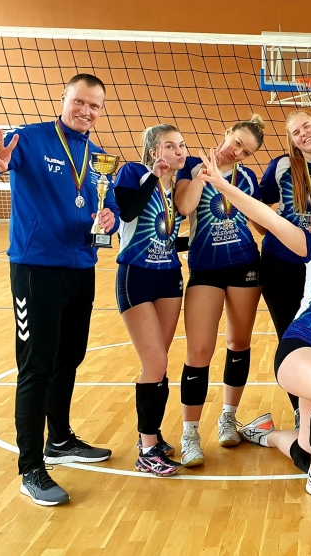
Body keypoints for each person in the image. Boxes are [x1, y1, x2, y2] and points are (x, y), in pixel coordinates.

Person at [0, 74, 119, 506]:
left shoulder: (98, 157)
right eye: (79, 101)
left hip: (81, 268)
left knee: (70, 357)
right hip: (36, 270)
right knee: (36, 366)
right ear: (64, 99)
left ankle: (60, 439)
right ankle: (31, 467)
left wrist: (109, 218)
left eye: (95, 106)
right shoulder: (27, 139)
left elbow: (109, 206)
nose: (86, 111)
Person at [197, 146, 311, 507]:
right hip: (301, 352)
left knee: (307, 446)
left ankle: (264, 434)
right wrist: (222, 184)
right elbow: (268, 218)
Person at [173, 116, 266, 467]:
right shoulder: (192, 165)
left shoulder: (248, 178)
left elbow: (260, 224)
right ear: (227, 133)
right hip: (206, 267)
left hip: (245, 265)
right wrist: (204, 174)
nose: (237, 152)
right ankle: (190, 434)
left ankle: (228, 417)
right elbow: (184, 207)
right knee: (199, 351)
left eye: (246, 151)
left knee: (238, 343)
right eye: (237, 142)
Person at [113, 124, 188, 477]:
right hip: (136, 275)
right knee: (154, 362)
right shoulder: (134, 172)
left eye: (181, 145)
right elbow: (127, 212)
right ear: (153, 150)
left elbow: (169, 236)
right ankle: (146, 451)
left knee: (160, 363)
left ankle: (152, 436)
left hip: (169, 277)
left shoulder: (179, 186)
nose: (178, 151)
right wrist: (155, 175)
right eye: (169, 146)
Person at [258, 110, 311, 425]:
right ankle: (299, 412)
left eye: (307, 126)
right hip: (280, 263)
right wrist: (268, 228)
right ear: (291, 140)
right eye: (295, 132)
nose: (303, 133)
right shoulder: (281, 165)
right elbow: (259, 203)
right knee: (290, 337)